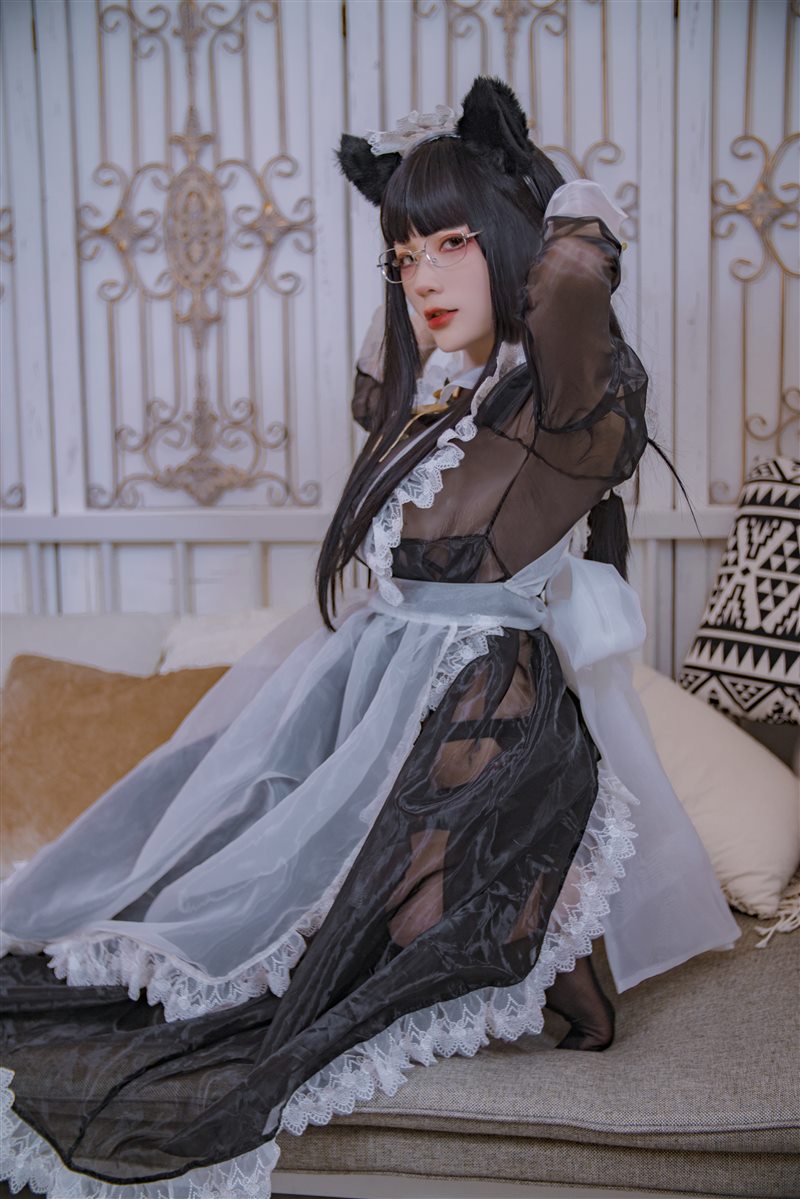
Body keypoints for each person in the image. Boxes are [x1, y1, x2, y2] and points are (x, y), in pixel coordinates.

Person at [0, 77, 739, 1198]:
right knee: (201, 882)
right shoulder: (436, 404)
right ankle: (533, 955)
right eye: (403, 255)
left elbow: (570, 284)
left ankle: (546, 960)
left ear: (510, 244)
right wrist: (434, 224)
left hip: (484, 721)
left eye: (450, 244)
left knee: (352, 963)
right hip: (377, 698)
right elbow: (392, 372)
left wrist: (557, 198)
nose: (421, 278)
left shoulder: (559, 410)